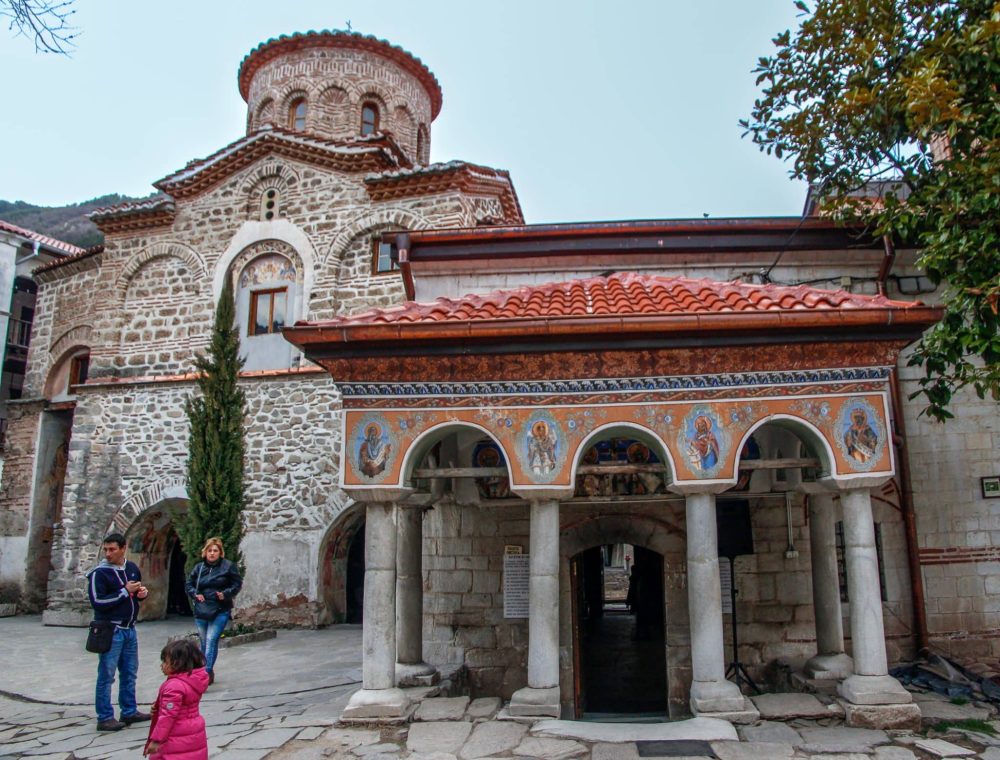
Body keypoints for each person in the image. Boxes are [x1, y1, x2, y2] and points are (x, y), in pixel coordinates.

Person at [87, 532, 151, 732]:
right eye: (106, 549)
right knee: (107, 674)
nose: (108, 554)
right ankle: (105, 716)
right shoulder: (99, 573)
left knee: (130, 672)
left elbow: (133, 597)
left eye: (112, 549)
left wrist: (141, 595)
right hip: (111, 629)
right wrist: (125, 591)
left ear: (123, 549)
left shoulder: (131, 569)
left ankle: (129, 710)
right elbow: (98, 602)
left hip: (129, 629)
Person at [184, 537, 243, 685]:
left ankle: (204, 673)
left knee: (212, 639)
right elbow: (189, 584)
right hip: (202, 609)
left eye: (215, 551)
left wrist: (226, 593)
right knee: (204, 642)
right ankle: (207, 672)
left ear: (220, 553)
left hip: (220, 608)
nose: (212, 553)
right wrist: (195, 594)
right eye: (209, 550)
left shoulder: (228, 566)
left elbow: (237, 584)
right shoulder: (199, 568)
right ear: (205, 552)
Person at [144, 638, 209, 759]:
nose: (162, 665)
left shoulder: (174, 686)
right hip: (193, 731)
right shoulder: (192, 681)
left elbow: (167, 716)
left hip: (175, 735)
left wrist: (157, 740)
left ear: (177, 663)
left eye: (165, 661)